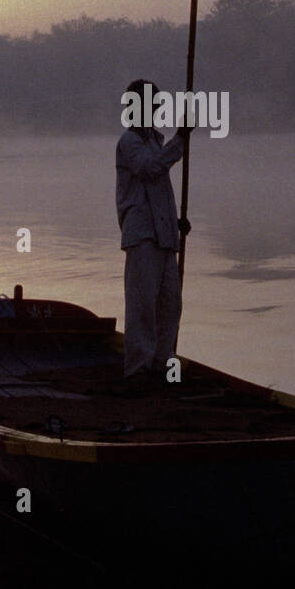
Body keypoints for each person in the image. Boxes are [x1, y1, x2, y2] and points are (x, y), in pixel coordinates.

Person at [116, 79, 191, 389]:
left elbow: (158, 190)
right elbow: (150, 169)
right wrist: (180, 142)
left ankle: (161, 365)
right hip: (142, 235)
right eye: (153, 104)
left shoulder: (153, 142)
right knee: (143, 306)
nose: (158, 109)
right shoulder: (130, 142)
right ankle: (138, 371)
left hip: (162, 235)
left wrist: (176, 223)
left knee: (170, 305)